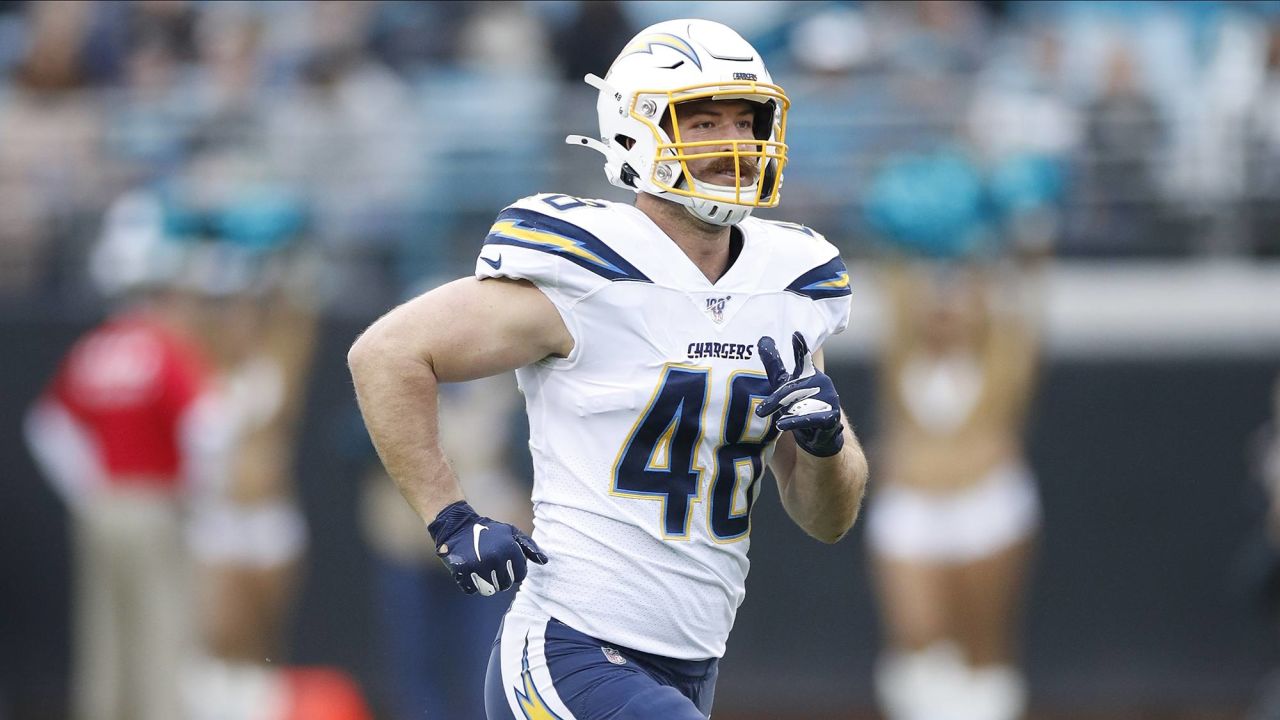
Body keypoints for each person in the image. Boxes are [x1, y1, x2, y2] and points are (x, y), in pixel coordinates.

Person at [347, 19, 869, 720]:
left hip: (690, 664)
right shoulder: (585, 270)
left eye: (747, 123)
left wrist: (826, 445)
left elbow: (826, 519)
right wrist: (449, 517)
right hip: (570, 647)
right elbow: (386, 354)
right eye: (704, 122)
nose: (735, 145)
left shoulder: (787, 288)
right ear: (636, 132)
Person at [22, 191, 223, 720]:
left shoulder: (95, 346)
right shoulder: (163, 346)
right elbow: (208, 427)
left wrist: (89, 486)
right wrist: (199, 492)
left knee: (104, 632)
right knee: (161, 627)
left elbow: (46, 425)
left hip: (103, 506)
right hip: (155, 503)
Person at [868, 256, 1043, 720]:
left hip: (986, 506)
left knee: (982, 640)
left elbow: (1030, 295)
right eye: (938, 300)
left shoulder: (1001, 356)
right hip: (912, 507)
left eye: (958, 299)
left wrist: (1002, 238)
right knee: (916, 637)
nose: (946, 310)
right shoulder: (904, 350)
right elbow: (896, 279)